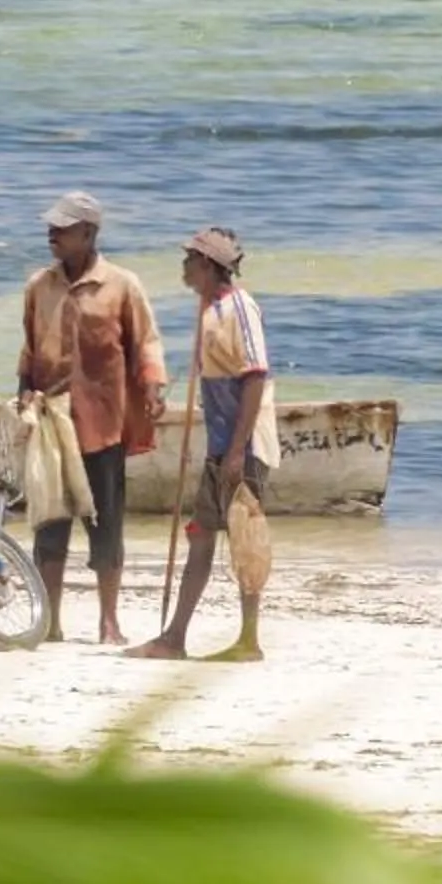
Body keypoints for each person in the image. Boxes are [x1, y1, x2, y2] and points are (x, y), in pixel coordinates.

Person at [16, 192, 164, 644]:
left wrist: (154, 388)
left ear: (89, 233)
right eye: (51, 227)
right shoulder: (39, 286)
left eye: (62, 228)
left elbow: (147, 344)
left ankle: (109, 622)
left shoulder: (121, 285)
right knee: (50, 525)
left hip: (104, 423)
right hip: (52, 421)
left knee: (106, 524)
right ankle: (51, 622)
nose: (52, 234)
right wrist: (23, 393)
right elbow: (29, 351)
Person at [131, 226, 278, 662]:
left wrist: (236, 450)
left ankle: (249, 640)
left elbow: (254, 377)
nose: (184, 266)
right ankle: (174, 638)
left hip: (244, 447)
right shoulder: (208, 308)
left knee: (245, 539)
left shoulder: (240, 307)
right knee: (200, 537)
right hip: (221, 446)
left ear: (209, 266)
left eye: (190, 260)